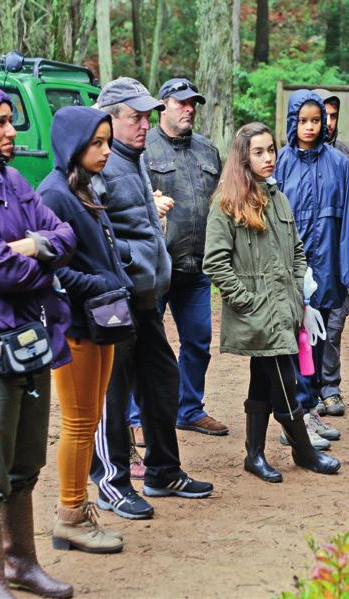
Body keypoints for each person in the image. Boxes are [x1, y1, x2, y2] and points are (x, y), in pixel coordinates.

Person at [0, 83, 76, 598]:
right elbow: (0, 271)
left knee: (24, 464)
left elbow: (65, 235)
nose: (12, 131)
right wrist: (40, 264)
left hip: (30, 341)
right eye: (1, 121)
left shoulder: (11, 179)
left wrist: (34, 245)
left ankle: (20, 563)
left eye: (11, 120)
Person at [90, 77, 213, 522]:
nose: (145, 124)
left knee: (162, 385)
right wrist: (129, 259)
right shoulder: (100, 164)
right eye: (135, 117)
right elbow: (93, 233)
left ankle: (163, 471)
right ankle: (113, 483)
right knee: (113, 394)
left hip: (145, 300)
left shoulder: (133, 158)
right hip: (115, 301)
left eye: (147, 115)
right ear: (109, 119)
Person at [203, 122, 340, 481]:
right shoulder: (226, 203)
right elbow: (214, 262)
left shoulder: (278, 197)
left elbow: (296, 249)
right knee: (284, 382)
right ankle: (304, 451)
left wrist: (297, 290)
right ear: (243, 158)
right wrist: (246, 301)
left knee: (262, 381)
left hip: (285, 308)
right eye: (259, 152)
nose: (268, 158)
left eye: (271, 150)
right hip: (256, 313)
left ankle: (254, 455)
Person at [38, 106, 132, 554]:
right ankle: (70, 515)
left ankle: (78, 509)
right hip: (74, 323)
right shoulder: (53, 194)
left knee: (92, 418)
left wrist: (119, 270)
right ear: (72, 144)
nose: (106, 150)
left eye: (108, 141)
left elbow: (97, 252)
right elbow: (51, 270)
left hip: (102, 319)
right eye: (96, 143)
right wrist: (103, 282)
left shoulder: (87, 187)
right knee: (78, 423)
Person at [142, 77, 228, 437]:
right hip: (156, 265)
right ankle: (136, 418)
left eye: (193, 103)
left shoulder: (208, 151)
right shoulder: (143, 148)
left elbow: (222, 203)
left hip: (197, 266)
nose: (189, 108)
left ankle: (188, 408)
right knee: (146, 344)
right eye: (181, 103)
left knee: (197, 340)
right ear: (163, 106)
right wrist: (152, 204)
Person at [274, 90, 349, 447]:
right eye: (304, 121)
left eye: (316, 120)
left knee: (318, 341)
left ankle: (309, 410)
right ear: (293, 122)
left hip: (326, 263)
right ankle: (292, 417)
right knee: (293, 342)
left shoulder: (339, 163)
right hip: (291, 266)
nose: (310, 127)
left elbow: (346, 222)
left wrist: (348, 270)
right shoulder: (280, 162)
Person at [313, 88, 349, 418]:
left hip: (337, 252)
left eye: (333, 116)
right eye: (322, 116)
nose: (328, 123)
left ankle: (330, 387)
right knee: (306, 328)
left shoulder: (346, 159)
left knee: (334, 325)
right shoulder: (287, 158)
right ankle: (309, 388)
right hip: (305, 257)